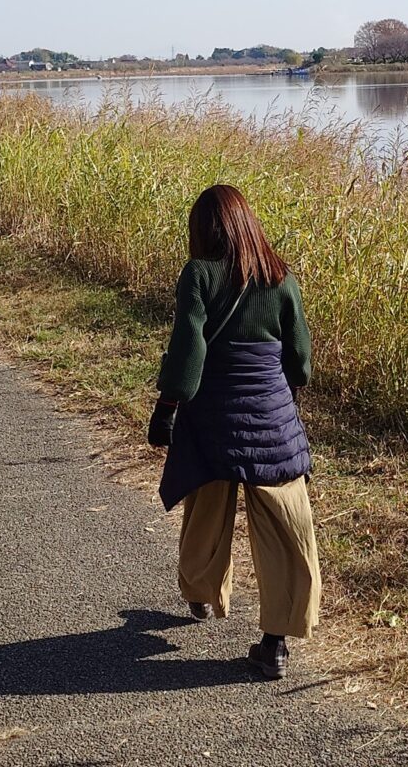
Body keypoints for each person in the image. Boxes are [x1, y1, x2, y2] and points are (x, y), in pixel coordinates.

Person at [145, 184, 319, 680]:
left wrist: (167, 406)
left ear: (204, 230)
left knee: (206, 508)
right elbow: (301, 364)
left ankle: (202, 595)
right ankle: (276, 643)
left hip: (212, 420)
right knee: (287, 527)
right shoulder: (280, 277)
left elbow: (189, 350)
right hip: (271, 420)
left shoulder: (198, 274)